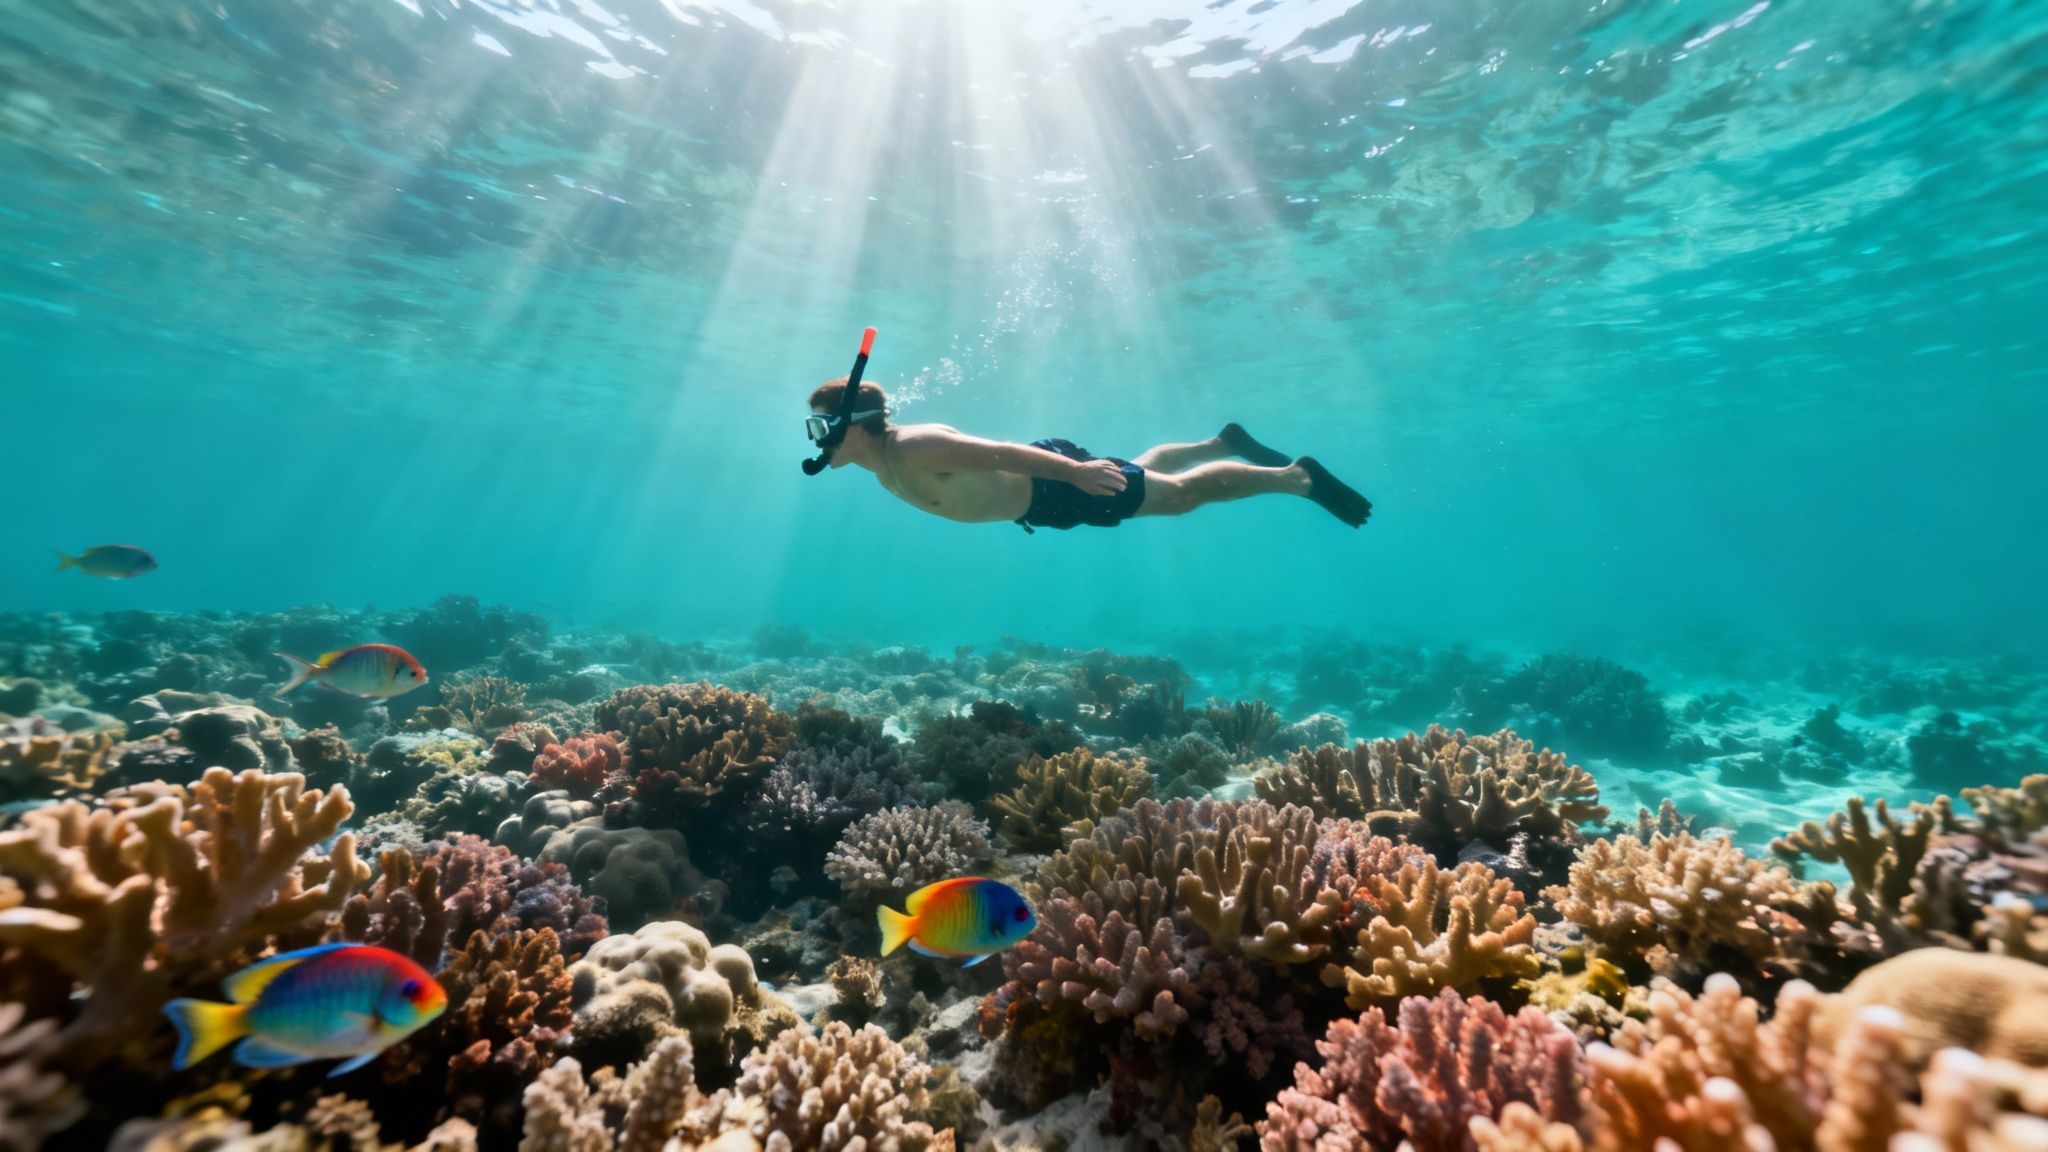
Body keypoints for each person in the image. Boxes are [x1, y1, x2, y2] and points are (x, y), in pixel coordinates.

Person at [804, 378, 1372, 532]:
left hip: (1056, 484)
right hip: (1045, 504)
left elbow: (1002, 452)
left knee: (1179, 500)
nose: (816, 437)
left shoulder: (916, 446)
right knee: (1141, 472)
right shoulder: (886, 475)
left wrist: (1076, 473)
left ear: (854, 425)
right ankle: (1221, 443)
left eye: (822, 425)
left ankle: (1296, 477)